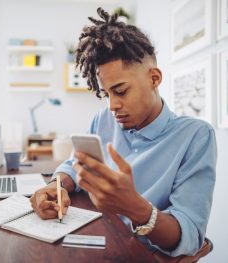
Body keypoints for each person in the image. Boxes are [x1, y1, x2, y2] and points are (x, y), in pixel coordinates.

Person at [30, 7, 216, 257]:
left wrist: (136, 208)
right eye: (106, 94)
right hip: (87, 236)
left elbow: (191, 236)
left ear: (154, 78)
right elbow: (74, 164)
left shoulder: (196, 137)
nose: (112, 106)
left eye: (120, 91)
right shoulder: (104, 119)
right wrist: (56, 185)